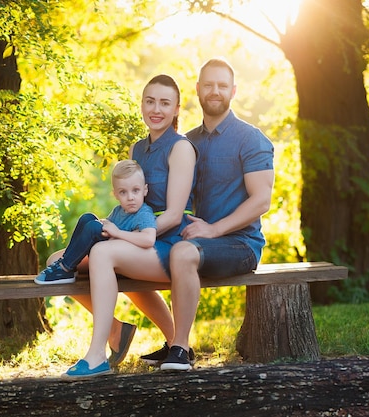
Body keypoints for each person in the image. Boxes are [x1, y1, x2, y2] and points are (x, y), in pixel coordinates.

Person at [48, 74, 197, 378]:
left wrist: (124, 237)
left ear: (177, 109)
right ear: (142, 104)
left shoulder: (181, 148)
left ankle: (96, 356)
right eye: (150, 101)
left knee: (104, 254)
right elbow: (130, 204)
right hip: (135, 239)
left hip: (167, 243)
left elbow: (172, 214)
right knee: (58, 261)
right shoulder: (137, 149)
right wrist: (110, 227)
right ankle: (121, 331)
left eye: (165, 103)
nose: (156, 109)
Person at [141, 58, 275, 371]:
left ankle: (181, 348)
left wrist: (214, 230)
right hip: (191, 239)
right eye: (209, 85)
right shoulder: (186, 142)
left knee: (184, 253)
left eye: (222, 85)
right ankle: (173, 340)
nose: (215, 91)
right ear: (198, 90)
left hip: (239, 244)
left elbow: (261, 201)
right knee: (133, 251)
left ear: (233, 91)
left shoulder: (250, 138)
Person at [34, 159, 157, 285]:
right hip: (109, 247)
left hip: (122, 258)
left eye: (135, 190)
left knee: (93, 227)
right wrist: (105, 223)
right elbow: (108, 226)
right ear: (115, 194)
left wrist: (117, 233)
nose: (130, 197)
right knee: (87, 218)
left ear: (145, 190)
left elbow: (149, 239)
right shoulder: (119, 210)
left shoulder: (144, 213)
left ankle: (64, 268)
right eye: (123, 192)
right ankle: (67, 264)